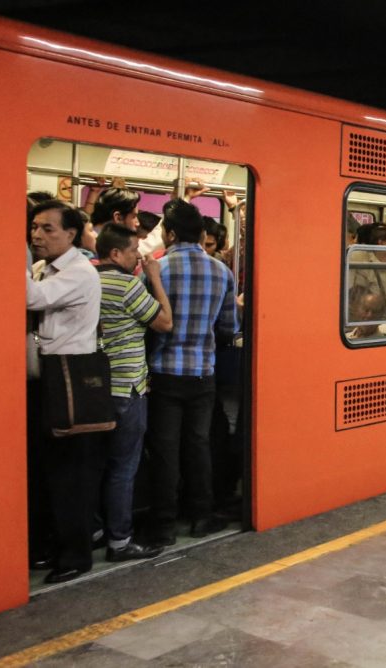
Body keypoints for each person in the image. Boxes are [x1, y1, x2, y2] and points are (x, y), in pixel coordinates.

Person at [145, 199, 239, 546]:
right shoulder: (222, 272)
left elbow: (148, 322)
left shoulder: (158, 269)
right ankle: (201, 515)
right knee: (199, 444)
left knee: (165, 448)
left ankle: (163, 525)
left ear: (169, 233)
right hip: (203, 372)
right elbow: (229, 326)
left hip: (164, 370)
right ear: (202, 233)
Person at [25, 200, 103, 584]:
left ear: (71, 234)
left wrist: (12, 253)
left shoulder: (80, 273)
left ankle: (76, 555)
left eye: (47, 229)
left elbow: (32, 299)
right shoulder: (42, 269)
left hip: (68, 378)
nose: (37, 235)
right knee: (43, 470)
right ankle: (47, 546)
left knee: (68, 474)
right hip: (44, 380)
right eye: (34, 228)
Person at [94, 224, 173, 562]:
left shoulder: (89, 280)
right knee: (124, 467)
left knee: (97, 464)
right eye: (133, 253)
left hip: (96, 387)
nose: (137, 259)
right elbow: (164, 322)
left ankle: (96, 529)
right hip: (127, 385)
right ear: (115, 254)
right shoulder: (127, 285)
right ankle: (120, 540)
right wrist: (154, 277)